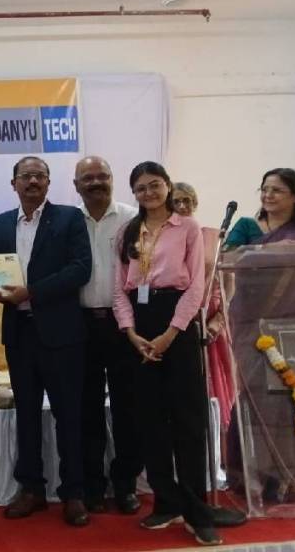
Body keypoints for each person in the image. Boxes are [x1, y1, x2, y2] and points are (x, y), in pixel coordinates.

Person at [113, 162, 219, 546]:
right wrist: (131, 333)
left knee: (187, 420)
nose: (148, 193)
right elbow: (118, 290)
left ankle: (196, 511)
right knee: (150, 419)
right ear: (134, 193)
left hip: (178, 323)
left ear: (168, 186)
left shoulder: (187, 227)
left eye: (154, 185)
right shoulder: (127, 232)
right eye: (140, 188)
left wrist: (171, 333)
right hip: (139, 325)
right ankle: (166, 502)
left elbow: (196, 287)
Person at [0, 156, 92, 527]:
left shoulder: (69, 218)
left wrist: (31, 292)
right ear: (13, 183)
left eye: (39, 176)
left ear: (48, 182)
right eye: (25, 176)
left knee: (69, 415)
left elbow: (80, 269)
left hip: (62, 334)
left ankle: (74, 492)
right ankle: (30, 488)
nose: (32, 181)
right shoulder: (1, 223)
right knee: (26, 415)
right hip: (19, 333)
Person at [224, 168, 295, 505]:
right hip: (252, 323)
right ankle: (255, 476)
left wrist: (286, 250)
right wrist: (272, 250)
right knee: (258, 397)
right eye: (265, 189)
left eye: (277, 190)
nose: (268, 196)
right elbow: (226, 257)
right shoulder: (246, 226)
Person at [73, 156, 142, 516]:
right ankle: (93, 486)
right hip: (80, 326)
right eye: (88, 178)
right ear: (76, 186)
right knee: (86, 410)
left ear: (113, 179)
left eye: (102, 176)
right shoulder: (68, 221)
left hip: (124, 326)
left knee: (128, 408)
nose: (96, 182)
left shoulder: (133, 218)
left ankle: (126, 484)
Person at [172, 182, 235, 433]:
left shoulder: (213, 237)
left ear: (195, 203)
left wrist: (218, 321)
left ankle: (220, 448)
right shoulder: (163, 239)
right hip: (179, 324)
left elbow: (228, 283)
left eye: (187, 200)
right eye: (176, 201)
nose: (182, 206)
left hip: (211, 324)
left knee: (217, 393)